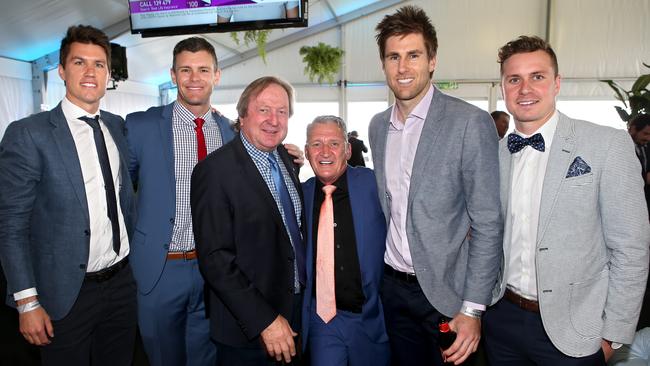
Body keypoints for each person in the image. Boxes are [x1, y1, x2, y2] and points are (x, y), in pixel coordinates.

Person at [125, 37, 305, 365]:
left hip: (219, 276)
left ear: (217, 76)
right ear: (172, 74)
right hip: (162, 267)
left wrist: (285, 153)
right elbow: (120, 193)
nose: (195, 78)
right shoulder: (141, 126)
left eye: (203, 70)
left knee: (208, 358)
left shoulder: (231, 131)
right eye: (186, 70)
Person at [484, 35, 650, 365]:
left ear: (557, 83)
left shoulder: (606, 145)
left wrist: (611, 336)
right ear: (503, 87)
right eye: (514, 79)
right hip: (502, 320)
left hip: (576, 333)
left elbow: (631, 248)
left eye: (538, 77)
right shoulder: (494, 155)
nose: (525, 89)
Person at [369, 5, 502, 366]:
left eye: (414, 55)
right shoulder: (379, 127)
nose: (403, 67)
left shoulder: (469, 123)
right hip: (393, 291)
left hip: (448, 296)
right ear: (383, 64)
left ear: (432, 61)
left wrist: (473, 309)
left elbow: (488, 222)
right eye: (393, 57)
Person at [0, 25, 137, 365]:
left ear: (109, 73)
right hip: (64, 293)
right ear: (61, 70)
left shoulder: (117, 127)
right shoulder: (29, 134)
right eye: (79, 62)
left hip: (122, 284)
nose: (90, 72)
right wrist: (27, 302)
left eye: (99, 64)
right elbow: (11, 224)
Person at [191, 76, 305, 366]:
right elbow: (215, 260)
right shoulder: (214, 172)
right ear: (242, 115)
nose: (273, 120)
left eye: (282, 111)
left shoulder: (285, 158)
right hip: (249, 329)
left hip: (294, 312)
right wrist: (264, 320)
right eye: (264, 109)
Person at [302, 116, 390, 366]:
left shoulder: (373, 184)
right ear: (307, 152)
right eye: (316, 144)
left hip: (369, 317)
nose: (325, 152)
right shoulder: (302, 194)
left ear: (348, 150)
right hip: (322, 320)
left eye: (334, 143)